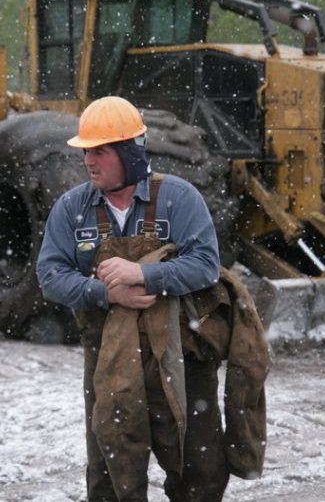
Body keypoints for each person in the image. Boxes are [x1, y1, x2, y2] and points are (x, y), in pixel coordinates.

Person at [36, 96, 267, 501]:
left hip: (185, 351)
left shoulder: (178, 198)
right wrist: (104, 291)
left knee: (199, 468)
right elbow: (50, 276)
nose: (90, 160)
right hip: (108, 358)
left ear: (129, 152)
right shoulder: (72, 208)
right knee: (111, 466)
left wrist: (145, 274)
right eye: (86, 151)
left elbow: (206, 265)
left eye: (101, 151)